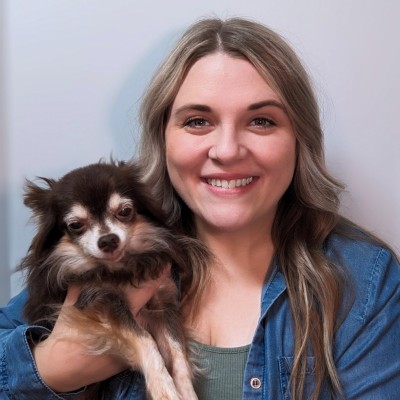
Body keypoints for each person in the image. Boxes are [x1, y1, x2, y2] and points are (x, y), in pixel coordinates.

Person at [1, 17, 399, 400]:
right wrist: (52, 367)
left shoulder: (365, 280)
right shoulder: (96, 263)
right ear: (163, 139)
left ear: (300, 138)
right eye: (197, 121)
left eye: (261, 121)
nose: (227, 151)